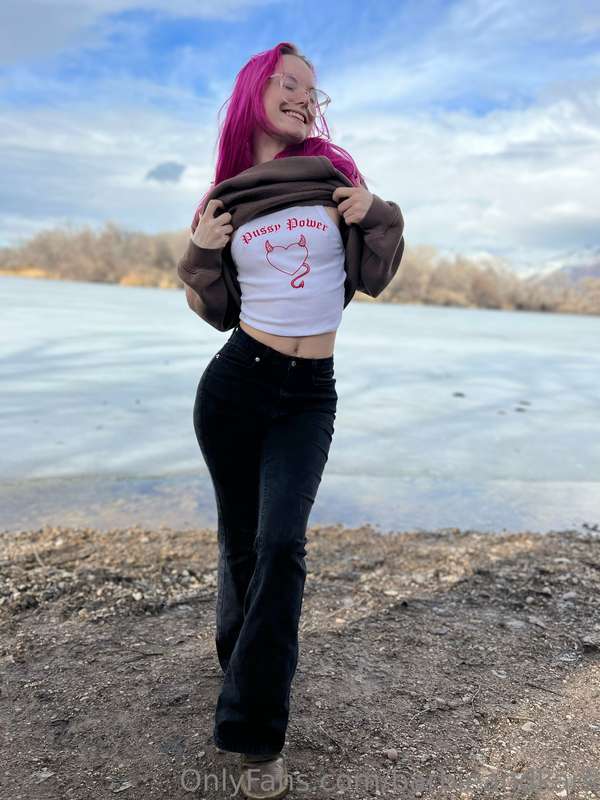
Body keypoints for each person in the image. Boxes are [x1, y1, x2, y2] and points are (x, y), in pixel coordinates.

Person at [180, 41, 403, 800]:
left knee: (281, 545)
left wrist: (380, 213)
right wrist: (198, 254)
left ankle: (254, 730)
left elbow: (374, 271)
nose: (304, 97)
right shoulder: (225, 199)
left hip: (309, 395)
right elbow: (212, 308)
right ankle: (243, 685)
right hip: (236, 385)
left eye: (313, 89)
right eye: (289, 83)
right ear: (256, 91)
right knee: (242, 545)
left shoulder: (334, 177)